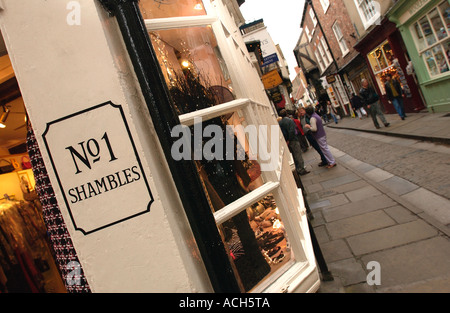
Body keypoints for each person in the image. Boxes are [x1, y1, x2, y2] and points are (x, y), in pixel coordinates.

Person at [278, 109, 310, 176]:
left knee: (292, 155)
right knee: (298, 154)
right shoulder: (290, 121)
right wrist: (289, 139)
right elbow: (292, 131)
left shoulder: (280, 123)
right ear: (286, 114)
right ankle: (301, 169)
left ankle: (297, 168)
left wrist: (286, 140)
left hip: (286, 141)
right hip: (293, 140)